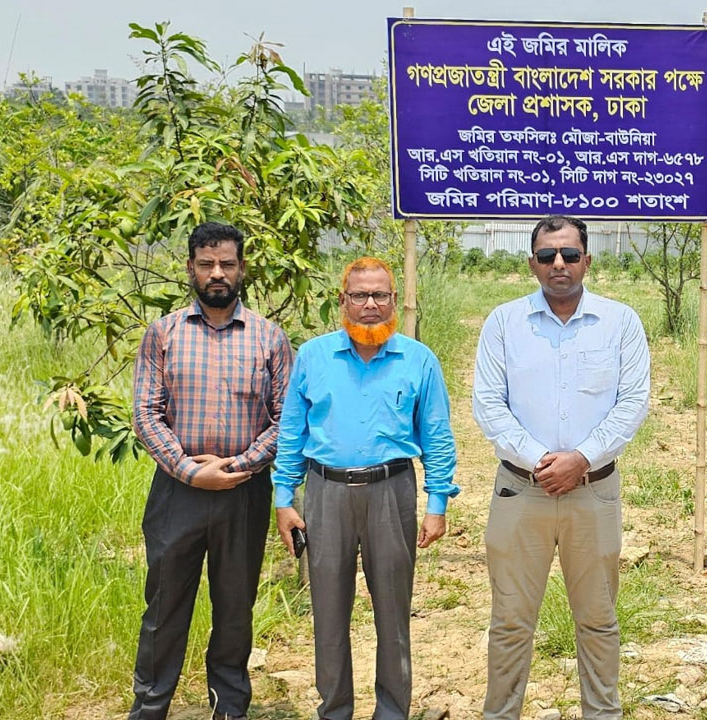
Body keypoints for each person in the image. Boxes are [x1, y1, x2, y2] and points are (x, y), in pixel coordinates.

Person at [472, 214, 651, 720]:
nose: (559, 264)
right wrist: (541, 462)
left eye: (569, 255)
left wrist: (582, 459)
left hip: (593, 492)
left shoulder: (620, 322)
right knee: (510, 622)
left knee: (598, 620)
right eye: (547, 255)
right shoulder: (504, 323)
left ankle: (603, 714)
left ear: (587, 261)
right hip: (520, 491)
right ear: (532, 264)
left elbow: (632, 403)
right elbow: (488, 403)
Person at [272, 256, 458, 720]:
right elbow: (292, 432)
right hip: (325, 492)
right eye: (360, 295)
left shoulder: (418, 360)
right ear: (343, 300)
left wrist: (437, 502)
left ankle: (391, 711)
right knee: (328, 612)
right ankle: (334, 709)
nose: (370, 304)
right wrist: (283, 498)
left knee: (393, 611)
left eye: (380, 295)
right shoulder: (313, 356)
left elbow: (437, 435)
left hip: (391, 490)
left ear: (394, 300)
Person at [130, 222, 293, 720]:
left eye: (226, 263)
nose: (217, 273)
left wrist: (239, 467)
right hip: (176, 492)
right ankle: (150, 707)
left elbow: (287, 420)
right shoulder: (164, 333)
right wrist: (187, 470)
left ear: (242, 269)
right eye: (206, 264)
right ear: (191, 269)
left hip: (244, 493)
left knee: (234, 609)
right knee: (164, 608)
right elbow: (146, 413)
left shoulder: (269, 338)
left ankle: (229, 709)